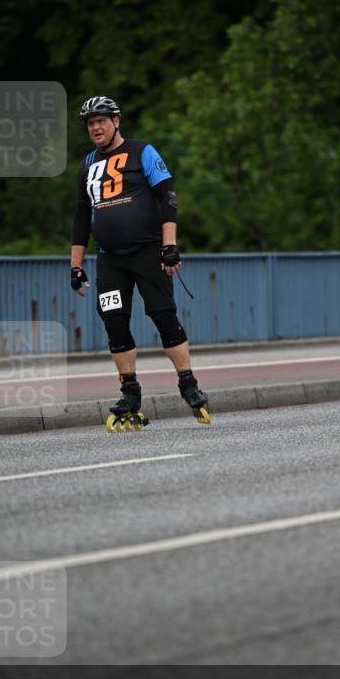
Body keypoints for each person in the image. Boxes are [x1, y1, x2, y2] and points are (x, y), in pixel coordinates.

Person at [70, 95, 210, 431]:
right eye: (90, 124)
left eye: (101, 121)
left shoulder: (142, 151)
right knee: (114, 322)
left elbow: (168, 197)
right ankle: (130, 394)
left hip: (148, 252)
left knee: (163, 315)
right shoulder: (88, 163)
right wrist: (76, 266)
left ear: (116, 120)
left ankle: (188, 384)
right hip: (109, 260)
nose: (96, 128)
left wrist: (170, 245)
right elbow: (79, 218)